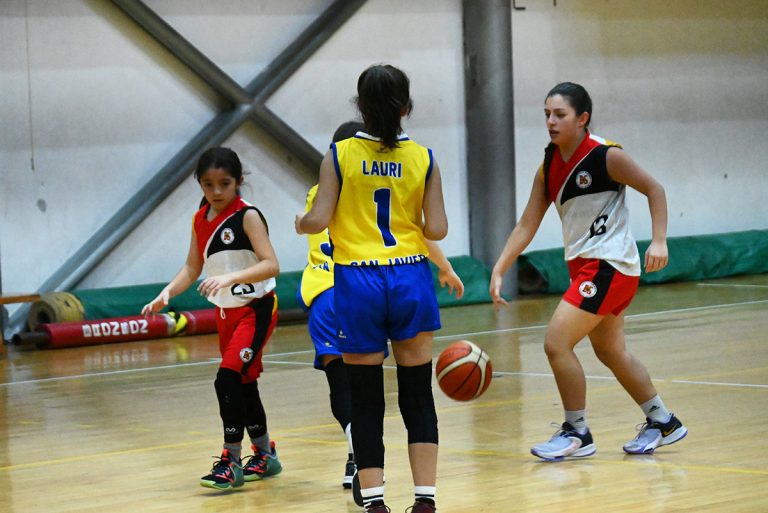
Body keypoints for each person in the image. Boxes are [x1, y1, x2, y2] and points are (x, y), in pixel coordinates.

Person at [489, 82, 687, 461]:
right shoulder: (548, 167)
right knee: (611, 352)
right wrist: (501, 266)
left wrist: (659, 240)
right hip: (586, 267)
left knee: (556, 343)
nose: (550, 121)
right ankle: (663, 421)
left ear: (582, 119)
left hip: (609, 265)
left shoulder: (606, 155)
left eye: (559, 114)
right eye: (547, 114)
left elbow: (655, 189)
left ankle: (576, 431)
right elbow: (527, 224)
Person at [296, 65, 451, 513]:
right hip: (409, 277)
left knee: (365, 398)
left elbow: (318, 220)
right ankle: (425, 501)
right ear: (406, 107)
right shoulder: (423, 157)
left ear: (360, 106)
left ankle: (376, 502)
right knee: (417, 394)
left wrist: (301, 222)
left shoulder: (340, 154)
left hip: (359, 280)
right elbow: (437, 229)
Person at [142, 147, 283, 489]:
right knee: (244, 382)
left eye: (225, 183)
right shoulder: (199, 219)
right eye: (208, 184)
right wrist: (167, 293)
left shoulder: (248, 216)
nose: (217, 191)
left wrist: (230, 278)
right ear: (200, 184)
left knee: (227, 379)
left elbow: (271, 264)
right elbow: (192, 267)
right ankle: (265, 455)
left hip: (255, 308)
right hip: (225, 313)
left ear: (239, 181)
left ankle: (231, 460)